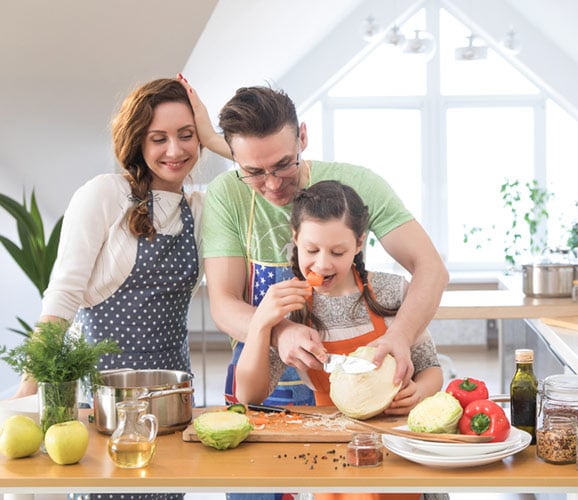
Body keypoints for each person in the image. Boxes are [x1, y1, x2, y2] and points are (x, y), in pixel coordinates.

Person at [177, 75, 449, 408]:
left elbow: (431, 268)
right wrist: (277, 332)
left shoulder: (359, 185)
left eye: (283, 165)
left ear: (302, 137)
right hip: (263, 373)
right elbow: (223, 303)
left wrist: (399, 336)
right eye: (254, 172)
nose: (273, 184)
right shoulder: (227, 193)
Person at [11, 77, 203, 500]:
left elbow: (260, 180)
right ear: (138, 141)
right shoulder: (104, 195)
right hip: (106, 408)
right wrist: (26, 393)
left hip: (172, 407)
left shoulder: (201, 207)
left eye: (187, 135)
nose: (175, 150)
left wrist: (212, 133)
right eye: (159, 138)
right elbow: (62, 298)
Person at [235, 180, 443, 413]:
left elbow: (431, 368)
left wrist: (419, 392)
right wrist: (260, 324)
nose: (323, 265)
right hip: (328, 429)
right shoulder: (290, 305)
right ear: (295, 238)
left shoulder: (391, 291)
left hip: (393, 430)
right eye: (312, 250)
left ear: (358, 244)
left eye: (337, 252)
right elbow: (248, 394)